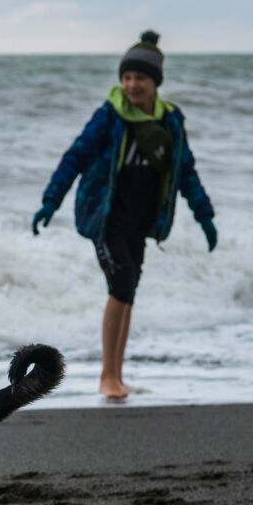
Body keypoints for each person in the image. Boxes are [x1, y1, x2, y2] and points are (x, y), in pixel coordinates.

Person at [31, 31, 217, 400]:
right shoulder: (109, 117)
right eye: (127, 77)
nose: (132, 85)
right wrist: (51, 200)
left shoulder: (171, 120)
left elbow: (185, 171)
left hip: (141, 219)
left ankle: (117, 374)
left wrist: (204, 215)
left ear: (155, 82)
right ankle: (106, 376)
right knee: (122, 284)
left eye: (140, 78)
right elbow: (75, 157)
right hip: (105, 217)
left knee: (128, 291)